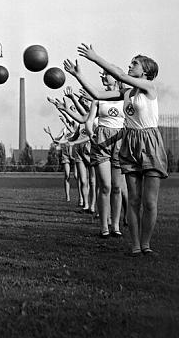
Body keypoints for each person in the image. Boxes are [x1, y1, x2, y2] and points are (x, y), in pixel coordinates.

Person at [64, 45, 168, 256]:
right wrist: (78, 75)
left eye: (134, 64)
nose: (130, 66)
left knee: (149, 202)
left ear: (145, 71)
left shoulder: (149, 87)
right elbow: (95, 93)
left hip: (149, 142)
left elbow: (119, 74)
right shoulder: (126, 92)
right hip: (130, 142)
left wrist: (95, 58)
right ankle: (136, 246)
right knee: (134, 199)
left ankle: (146, 244)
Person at [84, 72, 126, 238]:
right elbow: (89, 121)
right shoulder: (98, 97)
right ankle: (104, 227)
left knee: (117, 187)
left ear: (115, 78)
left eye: (106, 74)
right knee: (106, 186)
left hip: (120, 140)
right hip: (101, 139)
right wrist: (89, 133)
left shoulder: (125, 97)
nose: (102, 76)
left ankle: (115, 226)